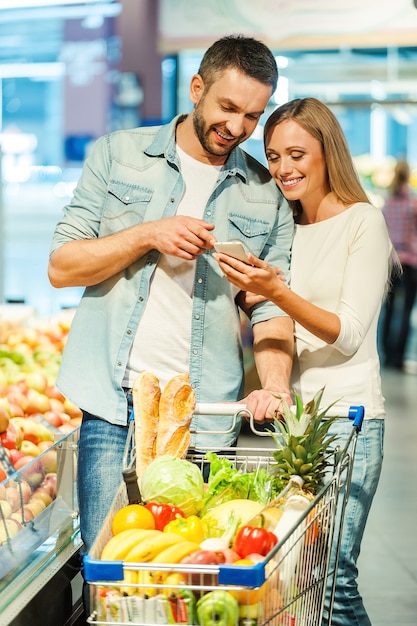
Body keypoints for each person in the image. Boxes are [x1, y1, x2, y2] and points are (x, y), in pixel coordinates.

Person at [48, 34, 295, 554]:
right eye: (227, 107)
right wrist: (146, 233)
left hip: (205, 414)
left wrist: (275, 384)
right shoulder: (118, 155)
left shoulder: (264, 194)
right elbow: (61, 266)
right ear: (196, 88)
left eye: (252, 116)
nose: (237, 128)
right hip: (114, 403)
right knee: (108, 566)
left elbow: (270, 306)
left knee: (189, 571)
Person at [215, 97, 395, 626]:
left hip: (348, 419)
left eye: (297, 154)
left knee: (334, 577)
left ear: (327, 152)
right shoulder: (284, 225)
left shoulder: (364, 221)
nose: (283, 169)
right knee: (297, 576)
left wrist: (276, 290)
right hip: (296, 422)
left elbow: (347, 334)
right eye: (272, 157)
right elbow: (278, 326)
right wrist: (255, 300)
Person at [381, 159, 417, 370]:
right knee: (405, 312)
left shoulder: (388, 201)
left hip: (392, 261)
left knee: (389, 308)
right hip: (412, 262)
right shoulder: (413, 203)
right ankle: (399, 357)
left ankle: (386, 354)